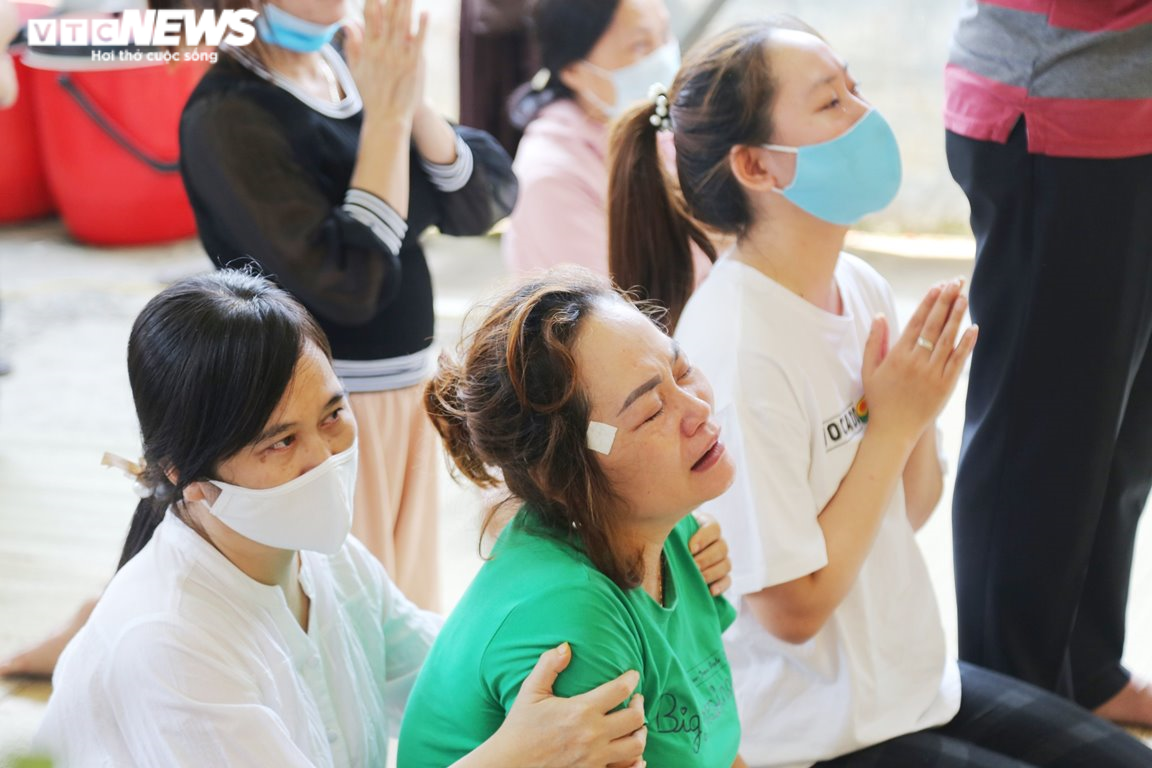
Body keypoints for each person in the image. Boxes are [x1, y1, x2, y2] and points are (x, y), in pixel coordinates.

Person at [608, 18, 1152, 767]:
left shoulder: (858, 284)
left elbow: (911, 509)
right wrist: (893, 425)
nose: (866, 115)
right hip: (812, 738)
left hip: (913, 691)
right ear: (758, 166)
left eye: (854, 87)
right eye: (831, 102)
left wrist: (916, 414)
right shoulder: (735, 351)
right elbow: (792, 610)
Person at [31, 269, 661, 767]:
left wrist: (660, 567)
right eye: (281, 442)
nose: (325, 458)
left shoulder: (325, 560)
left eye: (333, 415)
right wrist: (509, 758)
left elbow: (448, 674)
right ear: (186, 477)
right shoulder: (171, 644)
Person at [178, 0, 518, 612]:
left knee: (409, 606)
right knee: (352, 616)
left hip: (408, 393)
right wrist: (386, 117)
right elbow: (349, 282)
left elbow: (480, 203)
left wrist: (408, 101)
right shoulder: (226, 115)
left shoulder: (349, 62)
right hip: (319, 417)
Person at [397, 269, 746, 767]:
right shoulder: (571, 617)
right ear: (565, 471)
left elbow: (718, 747)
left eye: (682, 368)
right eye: (650, 412)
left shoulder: (668, 530)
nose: (698, 409)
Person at [944, 0, 1152, 727]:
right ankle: (1012, 710)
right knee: (1039, 450)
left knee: (1122, 438)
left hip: (1130, 113)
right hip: (1060, 110)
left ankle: (1086, 671)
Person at [501, 0, 717, 285]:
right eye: (640, 45)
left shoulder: (659, 126)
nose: (663, 55)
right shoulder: (552, 179)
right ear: (573, 70)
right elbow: (608, 305)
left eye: (665, 34)